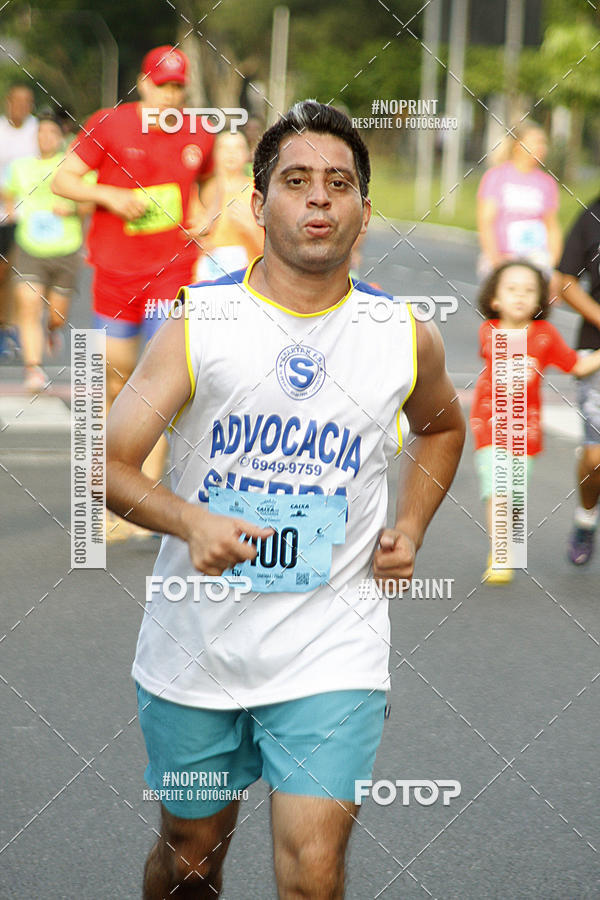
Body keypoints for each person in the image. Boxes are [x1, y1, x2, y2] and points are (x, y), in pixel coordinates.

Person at [106, 100, 465, 899]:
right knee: (191, 857)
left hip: (331, 645)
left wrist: (408, 524)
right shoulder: (204, 323)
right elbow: (108, 464)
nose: (319, 199)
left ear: (364, 215)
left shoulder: (403, 334)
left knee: (314, 871)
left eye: (339, 185)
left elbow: (442, 427)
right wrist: (189, 518)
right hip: (195, 646)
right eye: (296, 180)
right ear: (259, 202)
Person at [51, 45, 216, 539]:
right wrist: (108, 195)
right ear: (143, 84)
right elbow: (62, 180)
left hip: (173, 273)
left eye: (177, 86)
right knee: (115, 384)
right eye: (161, 85)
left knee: (158, 384)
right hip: (115, 276)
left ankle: (140, 503)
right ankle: (113, 489)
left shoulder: (198, 133)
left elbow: (206, 185)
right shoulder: (110, 124)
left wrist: (205, 212)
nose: (169, 95)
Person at [470, 260, 600, 583]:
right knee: (497, 489)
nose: (520, 296)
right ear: (495, 299)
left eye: (529, 291)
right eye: (511, 290)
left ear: (541, 300)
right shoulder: (490, 331)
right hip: (490, 425)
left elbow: (576, 366)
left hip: (525, 431)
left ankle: (506, 544)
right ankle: (500, 554)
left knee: (514, 494)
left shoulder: (545, 335)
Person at [4, 112, 90, 392]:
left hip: (65, 250)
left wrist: (73, 208)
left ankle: (53, 331)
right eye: (41, 134)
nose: (45, 139)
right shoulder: (21, 167)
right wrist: (10, 210)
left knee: (56, 315)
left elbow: (90, 204)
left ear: (60, 137)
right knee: (29, 306)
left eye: (51, 134)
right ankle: (34, 369)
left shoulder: (72, 167)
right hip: (30, 247)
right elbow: (7, 191)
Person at [557, 200, 600, 564]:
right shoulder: (592, 215)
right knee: (595, 455)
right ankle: (586, 518)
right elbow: (565, 282)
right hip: (596, 347)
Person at [476, 124, 562, 280]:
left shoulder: (547, 182)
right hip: (502, 256)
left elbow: (551, 225)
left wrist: (552, 264)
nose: (541, 147)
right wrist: (496, 260)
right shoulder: (496, 176)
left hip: (536, 257)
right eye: (536, 142)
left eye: (543, 143)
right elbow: (486, 221)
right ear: (518, 145)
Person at [194, 130, 264, 281]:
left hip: (247, 280)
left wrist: (251, 229)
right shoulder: (197, 191)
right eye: (224, 148)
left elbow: (273, 253)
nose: (231, 154)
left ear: (248, 153)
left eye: (238, 148)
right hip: (204, 282)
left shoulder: (259, 192)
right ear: (213, 153)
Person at [0, 83, 38, 360]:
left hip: (29, 217)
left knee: (20, 276)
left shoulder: (37, 131)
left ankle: (15, 328)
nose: (22, 106)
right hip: (2, 213)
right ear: (8, 102)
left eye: (28, 101)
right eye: (17, 100)